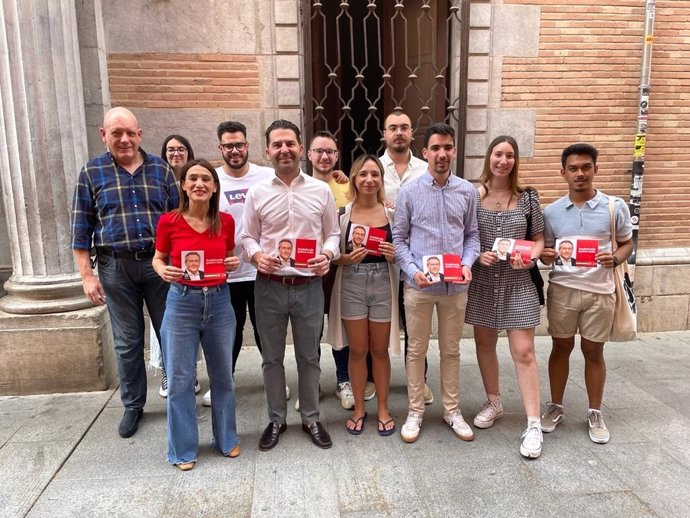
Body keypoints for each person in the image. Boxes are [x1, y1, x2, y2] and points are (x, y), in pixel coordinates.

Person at [70, 107, 179, 438]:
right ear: (104, 135)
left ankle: (179, 398)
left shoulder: (160, 170)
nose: (124, 139)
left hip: (160, 265)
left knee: (172, 334)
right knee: (128, 340)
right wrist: (87, 276)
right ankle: (134, 405)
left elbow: (178, 220)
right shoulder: (91, 172)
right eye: (116, 133)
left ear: (140, 134)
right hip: (115, 267)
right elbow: (80, 229)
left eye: (130, 132)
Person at [241, 119, 340, 451]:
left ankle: (311, 417)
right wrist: (256, 257)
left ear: (301, 148)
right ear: (268, 150)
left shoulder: (320, 190)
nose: (284, 149)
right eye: (277, 144)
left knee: (309, 356)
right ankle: (276, 418)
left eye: (290, 143)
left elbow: (333, 233)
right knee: (271, 358)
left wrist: (327, 254)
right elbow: (247, 237)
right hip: (268, 287)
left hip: (309, 286)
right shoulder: (257, 192)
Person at [540, 143, 633, 444]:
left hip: (599, 292)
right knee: (560, 347)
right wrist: (548, 256)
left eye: (585, 167)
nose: (579, 173)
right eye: (573, 168)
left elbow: (627, 243)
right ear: (563, 172)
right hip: (563, 289)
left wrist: (616, 258)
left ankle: (595, 411)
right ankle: (555, 406)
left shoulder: (614, 207)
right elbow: (546, 252)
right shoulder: (551, 212)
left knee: (594, 351)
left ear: (595, 169)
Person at [393, 122, 480, 443]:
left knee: (451, 350)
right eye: (436, 148)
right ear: (424, 152)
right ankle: (415, 411)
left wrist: (468, 264)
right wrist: (413, 270)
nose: (442, 154)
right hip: (418, 286)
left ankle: (452, 410)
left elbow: (472, 236)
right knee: (415, 350)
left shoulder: (467, 191)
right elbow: (399, 239)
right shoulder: (409, 192)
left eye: (448, 147)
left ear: (454, 150)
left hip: (455, 288)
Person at [153, 159, 240, 471]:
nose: (200, 183)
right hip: (182, 303)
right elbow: (158, 258)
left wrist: (232, 263)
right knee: (179, 379)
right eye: (193, 179)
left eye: (206, 178)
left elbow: (228, 256)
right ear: (184, 186)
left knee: (223, 377)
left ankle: (226, 439)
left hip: (219, 302)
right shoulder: (169, 222)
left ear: (214, 187)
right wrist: (163, 270)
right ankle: (182, 449)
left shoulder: (226, 222)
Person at [465, 136, 545, 459]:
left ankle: (534, 423)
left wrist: (531, 257)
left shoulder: (527, 198)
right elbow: (465, 236)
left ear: (515, 161)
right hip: (483, 281)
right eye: (498, 154)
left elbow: (539, 239)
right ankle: (494, 402)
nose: (503, 160)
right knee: (484, 344)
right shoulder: (474, 195)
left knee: (523, 351)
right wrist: (476, 257)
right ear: (489, 158)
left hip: (518, 283)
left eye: (510, 155)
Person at [327, 154, 399, 436]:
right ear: (354, 179)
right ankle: (359, 408)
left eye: (375, 174)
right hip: (352, 285)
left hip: (383, 283)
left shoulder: (392, 214)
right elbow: (332, 253)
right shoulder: (343, 214)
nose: (369, 179)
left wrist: (395, 256)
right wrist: (344, 259)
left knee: (379, 351)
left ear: (381, 179)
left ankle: (382, 408)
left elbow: (404, 251)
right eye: (363, 174)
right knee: (357, 350)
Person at [210, 120, 275, 407]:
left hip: (262, 268)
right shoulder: (211, 179)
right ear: (220, 148)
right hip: (227, 271)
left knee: (266, 329)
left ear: (247, 146)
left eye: (239, 145)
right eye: (228, 146)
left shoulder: (267, 176)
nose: (234, 151)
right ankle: (224, 382)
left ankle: (274, 380)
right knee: (228, 332)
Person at [379, 110, 433, 405]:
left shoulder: (426, 169)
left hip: (418, 260)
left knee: (416, 328)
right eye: (392, 128)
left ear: (412, 133)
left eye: (404, 127)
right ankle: (373, 379)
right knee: (378, 324)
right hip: (380, 257)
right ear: (384, 133)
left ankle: (419, 382)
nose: (398, 133)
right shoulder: (373, 168)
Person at [155, 134, 200, 399]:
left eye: (181, 148)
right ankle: (167, 371)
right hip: (169, 263)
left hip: (194, 264)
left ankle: (191, 371)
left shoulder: (198, 177)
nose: (175, 154)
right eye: (170, 149)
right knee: (166, 324)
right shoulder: (157, 177)